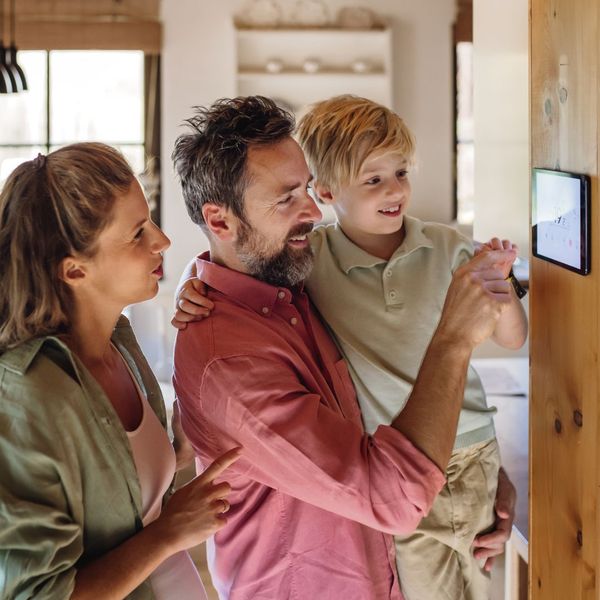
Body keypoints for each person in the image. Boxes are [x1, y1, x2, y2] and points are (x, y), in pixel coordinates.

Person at [170, 96, 517, 600]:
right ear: (220, 222)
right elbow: (393, 497)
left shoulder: (288, 282)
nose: (313, 211)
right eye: (287, 198)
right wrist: (455, 338)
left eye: (306, 189)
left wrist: (475, 469)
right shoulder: (233, 362)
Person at [0, 143, 240, 600]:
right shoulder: (25, 397)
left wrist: (180, 454)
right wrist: (169, 533)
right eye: (137, 234)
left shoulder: (121, 344)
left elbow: (128, 505)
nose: (162, 241)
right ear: (74, 271)